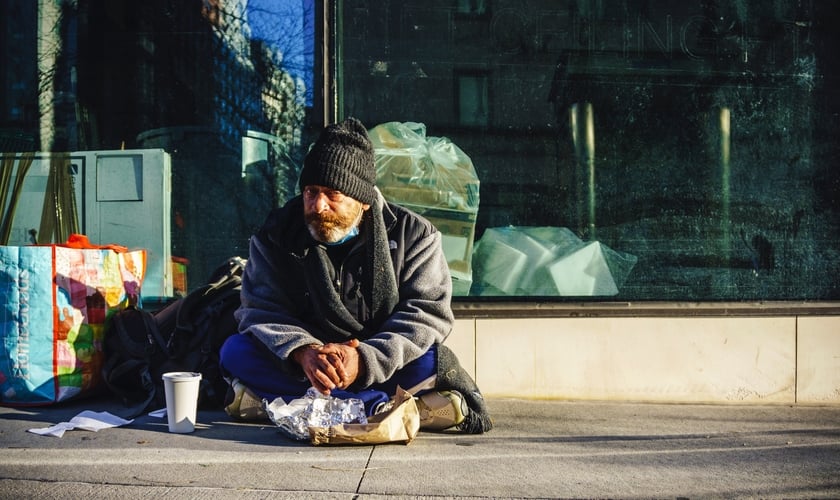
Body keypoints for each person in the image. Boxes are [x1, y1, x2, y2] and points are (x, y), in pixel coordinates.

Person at [219, 117, 492, 434]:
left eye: (333, 193)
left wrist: (363, 360)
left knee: (432, 360)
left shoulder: (414, 234)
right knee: (235, 351)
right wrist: (303, 352)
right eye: (311, 191)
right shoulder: (276, 233)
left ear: (363, 200)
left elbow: (427, 314)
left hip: (379, 361)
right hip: (306, 367)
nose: (318, 205)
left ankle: (283, 404)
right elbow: (259, 309)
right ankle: (381, 406)